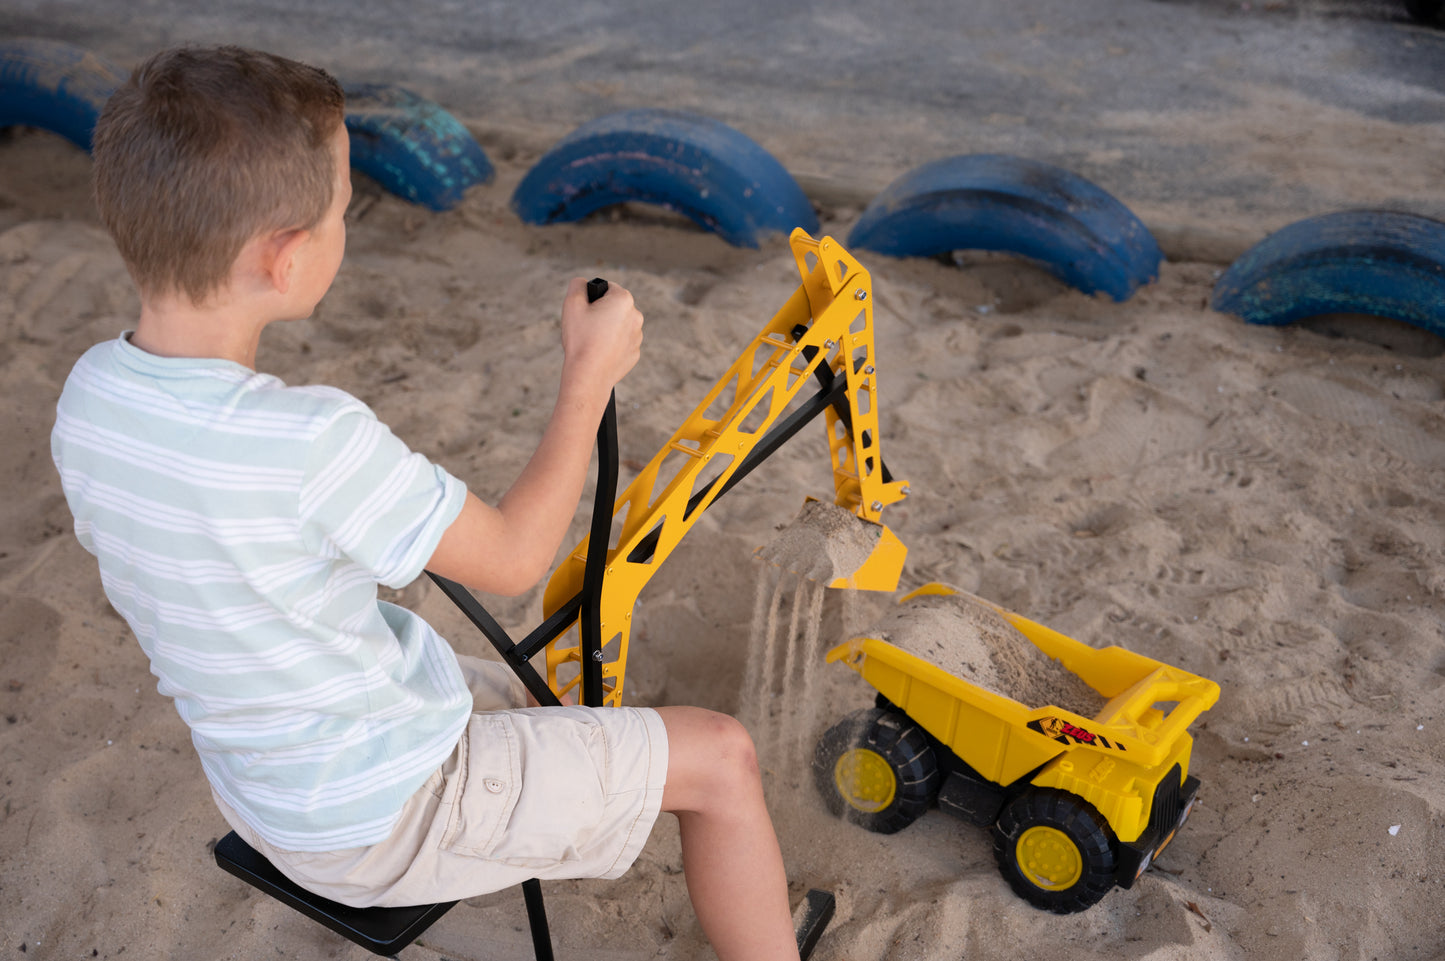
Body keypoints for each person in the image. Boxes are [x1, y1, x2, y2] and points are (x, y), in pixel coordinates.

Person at [51, 45, 800, 961]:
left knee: (540, 683)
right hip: (387, 816)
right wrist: (586, 379)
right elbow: (519, 556)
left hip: (270, 786)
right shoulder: (310, 441)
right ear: (286, 261)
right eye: (340, 211)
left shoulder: (89, 398)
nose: (344, 225)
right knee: (721, 757)